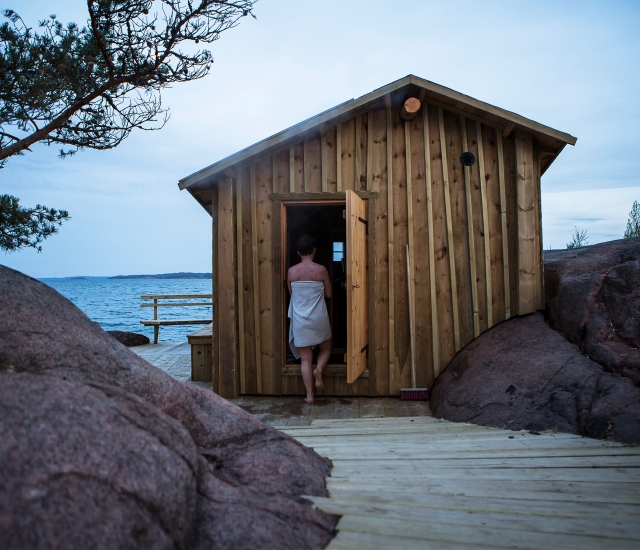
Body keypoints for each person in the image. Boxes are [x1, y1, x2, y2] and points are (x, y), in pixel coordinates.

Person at [287, 234, 332, 404]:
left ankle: (309, 396)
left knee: (305, 358)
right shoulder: (321, 270)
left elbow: (292, 294)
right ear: (314, 251)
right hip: (319, 317)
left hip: (300, 320)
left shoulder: (292, 271)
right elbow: (328, 294)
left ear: (298, 253)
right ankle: (319, 370)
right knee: (326, 348)